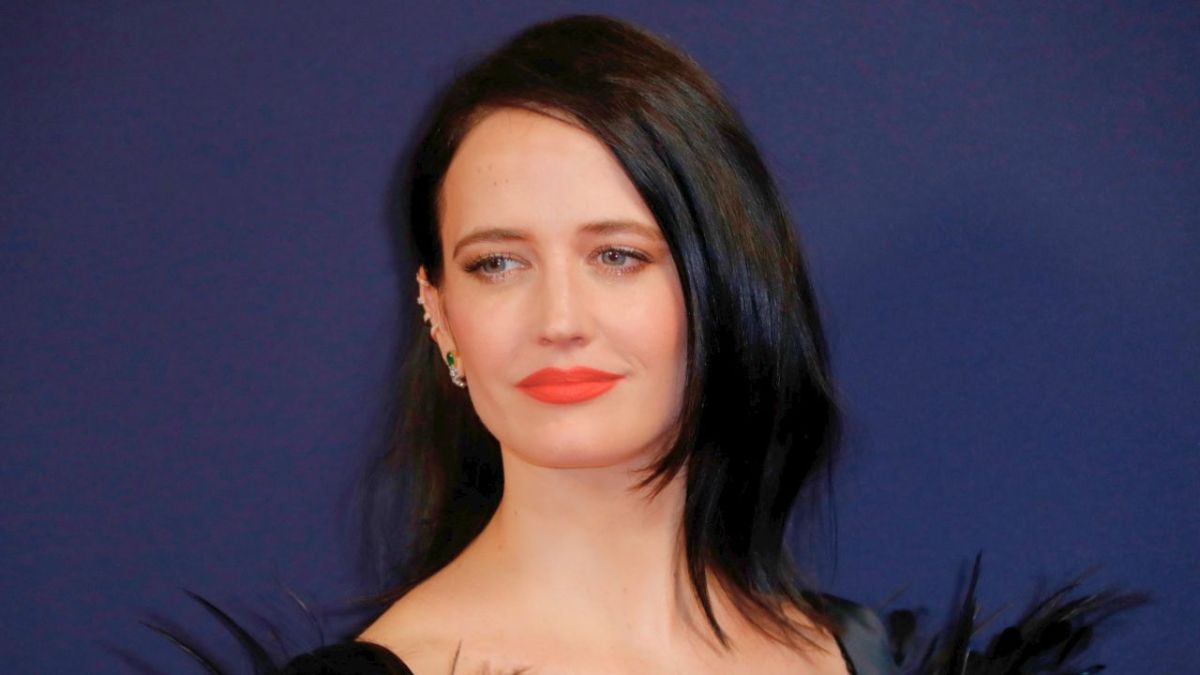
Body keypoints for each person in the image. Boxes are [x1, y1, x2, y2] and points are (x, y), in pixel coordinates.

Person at [152, 14, 1141, 675]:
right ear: (439, 313)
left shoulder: (877, 659)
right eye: (498, 263)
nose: (559, 317)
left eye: (618, 255)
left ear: (722, 286)